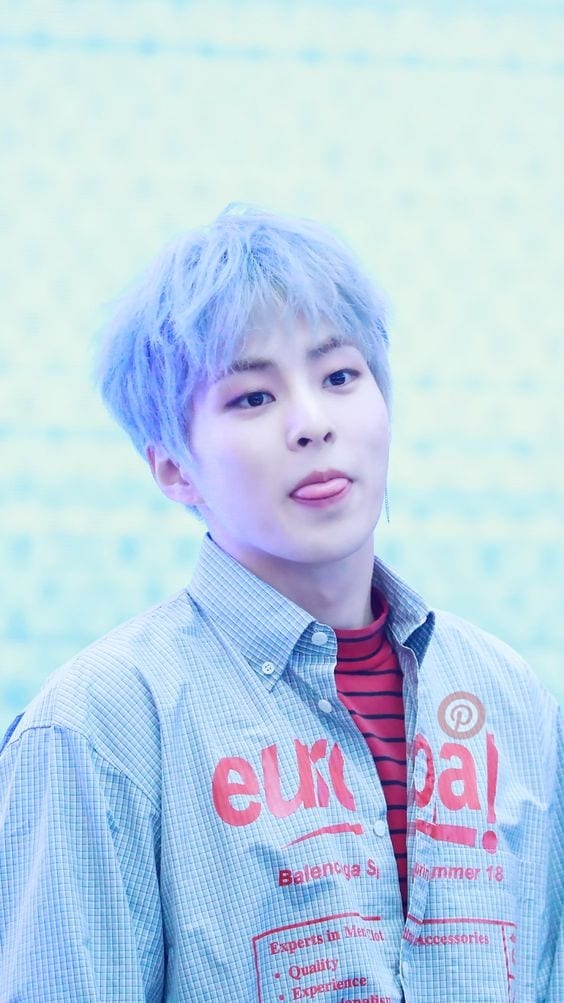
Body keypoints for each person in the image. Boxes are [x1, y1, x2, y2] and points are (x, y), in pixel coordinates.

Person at [0, 204, 561, 1003]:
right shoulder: (99, 727)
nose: (312, 424)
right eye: (253, 397)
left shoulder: (513, 701)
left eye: (340, 377)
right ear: (173, 468)